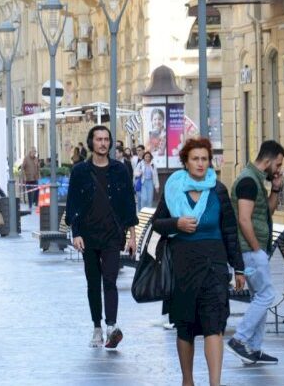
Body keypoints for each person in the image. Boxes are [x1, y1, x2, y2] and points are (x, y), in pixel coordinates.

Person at [151, 137, 246, 386]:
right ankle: (188, 380)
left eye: (205, 159)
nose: (201, 164)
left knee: (214, 324)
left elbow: (229, 231)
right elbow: (157, 224)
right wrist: (177, 223)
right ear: (186, 161)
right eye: (195, 159)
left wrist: (239, 268)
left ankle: (215, 383)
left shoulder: (219, 190)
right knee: (185, 326)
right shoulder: (173, 188)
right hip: (182, 266)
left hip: (213, 265)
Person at [65, 126, 138, 349]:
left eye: (106, 139)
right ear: (91, 142)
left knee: (110, 280)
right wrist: (75, 233)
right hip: (88, 235)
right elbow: (73, 205)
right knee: (93, 283)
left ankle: (111, 327)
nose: (103, 143)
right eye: (98, 139)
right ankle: (97, 326)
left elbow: (128, 204)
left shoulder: (120, 170)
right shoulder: (79, 171)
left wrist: (132, 236)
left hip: (112, 235)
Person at [227, 140, 284, 365]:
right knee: (266, 295)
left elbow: (266, 213)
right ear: (268, 160)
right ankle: (240, 340)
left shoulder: (256, 180)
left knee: (259, 296)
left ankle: (253, 348)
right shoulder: (248, 182)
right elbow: (244, 219)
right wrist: (256, 249)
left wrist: (277, 189)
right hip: (250, 250)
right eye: (278, 164)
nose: (279, 169)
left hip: (254, 248)